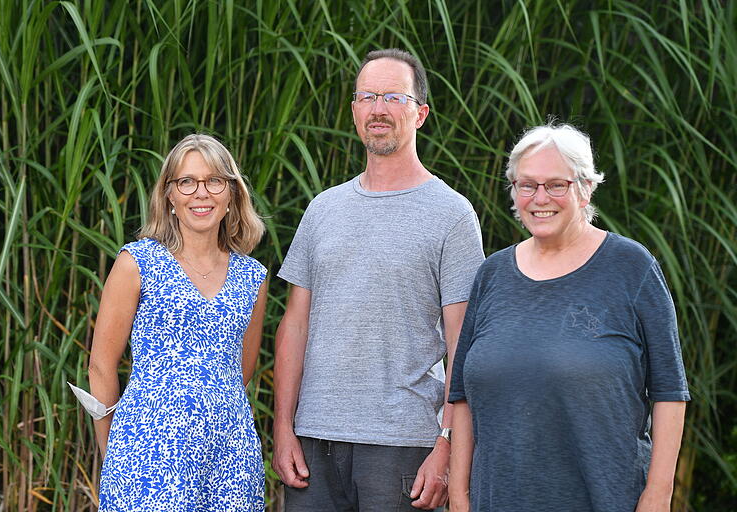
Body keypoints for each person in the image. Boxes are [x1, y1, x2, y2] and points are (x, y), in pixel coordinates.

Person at [272, 48, 485, 511]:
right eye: (367, 97)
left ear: (420, 113)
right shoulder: (322, 209)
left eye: (393, 97)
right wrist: (283, 427)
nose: (378, 109)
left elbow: (462, 344)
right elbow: (294, 325)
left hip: (403, 445)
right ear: (354, 111)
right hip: (313, 442)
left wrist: (446, 444)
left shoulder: (452, 215)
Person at [448, 123, 690, 512]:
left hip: (603, 498)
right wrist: (459, 495)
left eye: (556, 185)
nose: (539, 198)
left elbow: (669, 393)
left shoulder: (631, 267)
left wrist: (657, 496)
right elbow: (460, 395)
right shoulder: (491, 274)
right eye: (526, 185)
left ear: (586, 188)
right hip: (497, 499)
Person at [87, 134, 268, 511]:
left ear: (231, 193)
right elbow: (101, 365)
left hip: (230, 459)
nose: (200, 193)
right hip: (147, 456)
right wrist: (114, 451)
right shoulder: (137, 264)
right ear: (169, 194)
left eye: (214, 180)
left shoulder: (253, 276)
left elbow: (240, 372)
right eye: (186, 182)